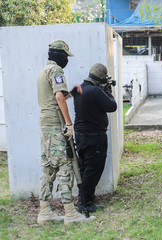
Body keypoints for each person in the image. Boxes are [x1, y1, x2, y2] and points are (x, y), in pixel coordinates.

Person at [37, 39, 95, 225]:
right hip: (55, 126)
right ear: (60, 55)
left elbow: (58, 96)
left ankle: (44, 211)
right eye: (66, 57)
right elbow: (59, 97)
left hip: (45, 126)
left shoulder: (43, 71)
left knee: (48, 168)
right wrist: (69, 124)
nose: (67, 61)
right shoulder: (56, 70)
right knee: (65, 167)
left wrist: (73, 93)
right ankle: (70, 213)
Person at [73, 63, 117, 214]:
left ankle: (84, 199)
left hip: (80, 136)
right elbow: (112, 106)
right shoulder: (96, 91)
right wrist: (109, 92)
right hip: (94, 137)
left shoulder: (79, 89)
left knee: (85, 169)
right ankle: (85, 204)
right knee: (93, 170)